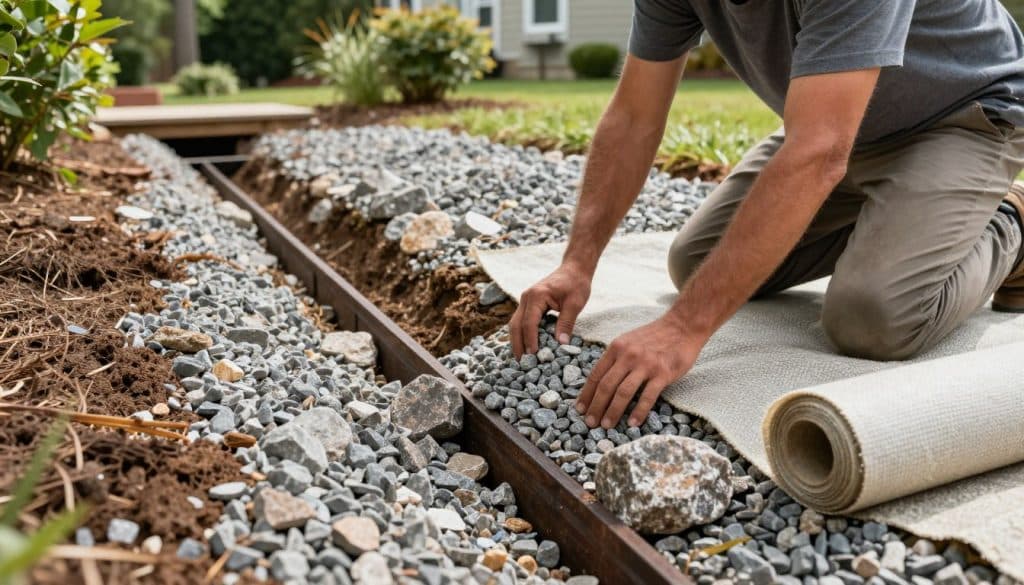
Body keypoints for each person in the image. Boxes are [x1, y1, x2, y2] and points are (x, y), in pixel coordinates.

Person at [509, 0, 1024, 430]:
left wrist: (683, 329)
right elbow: (633, 117)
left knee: (873, 318)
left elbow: (818, 152)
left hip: (966, 117)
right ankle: (906, 218)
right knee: (698, 263)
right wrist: (577, 262)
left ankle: (1011, 223)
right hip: (839, 118)